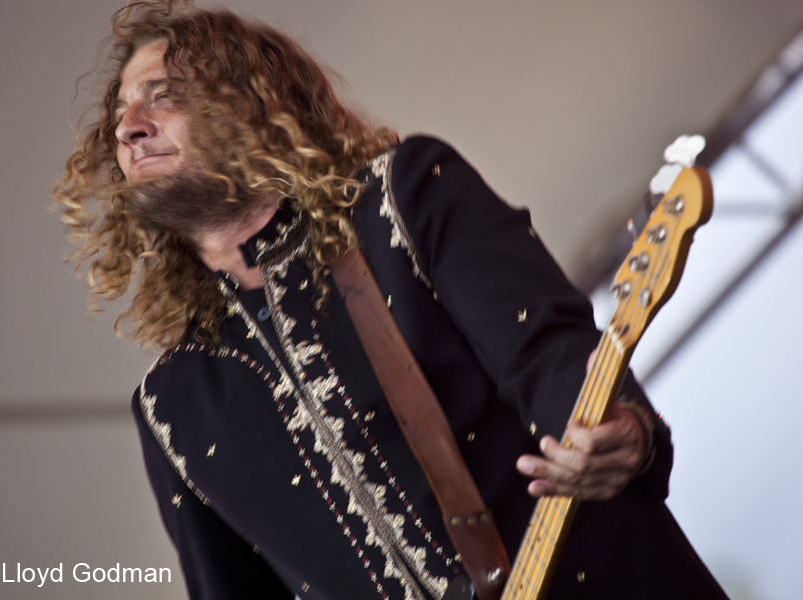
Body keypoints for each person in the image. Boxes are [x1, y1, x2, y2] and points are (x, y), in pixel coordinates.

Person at [54, 2, 728, 599]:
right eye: (118, 113)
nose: (129, 128)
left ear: (250, 102)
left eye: (161, 96)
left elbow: (550, 352)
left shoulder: (402, 200)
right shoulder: (170, 408)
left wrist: (624, 434)